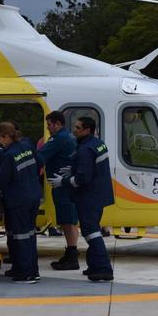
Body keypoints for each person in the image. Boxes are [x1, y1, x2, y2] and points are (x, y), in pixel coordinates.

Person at [48, 116, 114, 282]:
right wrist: (73, 168)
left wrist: (62, 181)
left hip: (89, 197)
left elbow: (82, 179)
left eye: (78, 128)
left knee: (92, 233)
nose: (74, 130)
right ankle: (94, 266)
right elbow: (92, 167)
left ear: (87, 130)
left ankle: (104, 269)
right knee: (91, 230)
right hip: (99, 195)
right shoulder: (97, 144)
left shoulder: (85, 149)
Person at [0, 122, 42, 283]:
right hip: (33, 196)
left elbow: (1, 182)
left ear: (6, 136)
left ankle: (25, 274)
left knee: (20, 236)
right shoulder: (27, 146)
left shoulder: (9, 155)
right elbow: (41, 163)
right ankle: (30, 270)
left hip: (18, 200)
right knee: (29, 235)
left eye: (0, 138)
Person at [38, 111, 80, 270]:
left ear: (57, 124)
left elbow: (41, 156)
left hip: (62, 187)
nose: (48, 128)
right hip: (67, 185)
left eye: (49, 124)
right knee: (70, 221)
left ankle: (72, 256)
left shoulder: (59, 138)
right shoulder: (69, 136)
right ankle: (71, 253)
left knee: (67, 222)